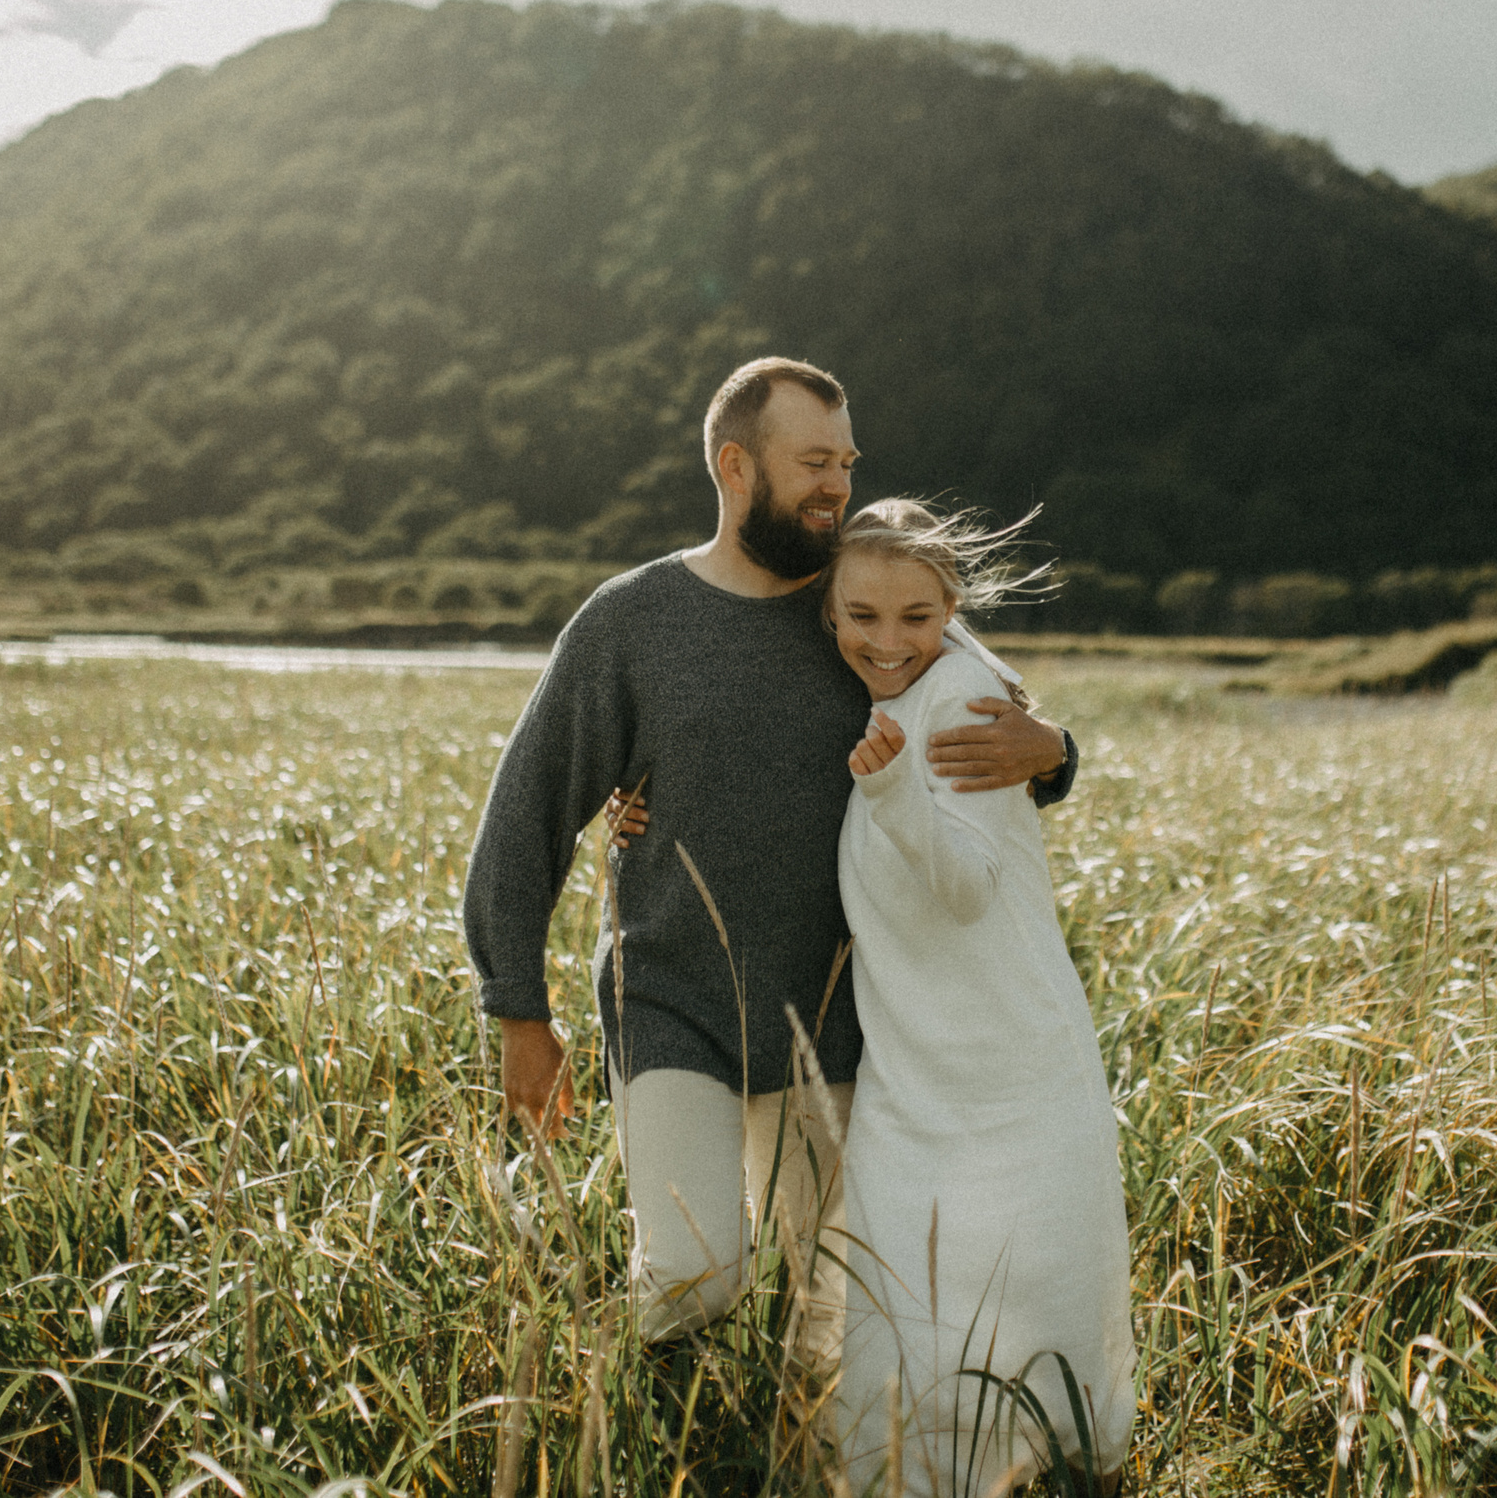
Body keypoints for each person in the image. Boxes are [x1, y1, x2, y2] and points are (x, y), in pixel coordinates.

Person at [461, 358, 1078, 1367]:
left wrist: (1054, 751)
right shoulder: (630, 621)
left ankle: (774, 1444)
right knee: (693, 1278)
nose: (838, 485)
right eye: (813, 462)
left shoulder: (866, 606)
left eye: (847, 461)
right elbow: (527, 813)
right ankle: (631, 1425)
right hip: (672, 1003)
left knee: (828, 1323)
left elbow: (991, 720)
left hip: (834, 1019)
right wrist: (519, 1010)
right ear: (736, 465)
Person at [824, 499, 1135, 1496]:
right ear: (829, 609)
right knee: (921, 1284)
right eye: (862, 615)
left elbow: (964, 887)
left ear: (950, 610)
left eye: (915, 616)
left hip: (1001, 1055)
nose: (887, 639)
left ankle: (1042, 1466)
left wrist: (890, 798)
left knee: (1027, 1277)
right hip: (919, 1058)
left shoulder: (960, 696)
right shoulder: (905, 692)